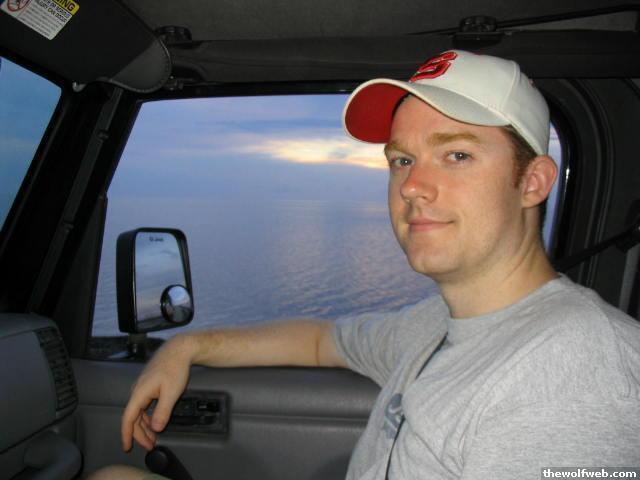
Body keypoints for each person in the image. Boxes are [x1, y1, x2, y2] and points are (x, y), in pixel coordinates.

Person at [89, 50, 640, 480]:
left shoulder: (579, 373)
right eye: (402, 159)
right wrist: (186, 346)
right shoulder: (436, 325)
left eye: (457, 155)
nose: (413, 186)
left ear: (534, 182)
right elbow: (319, 341)